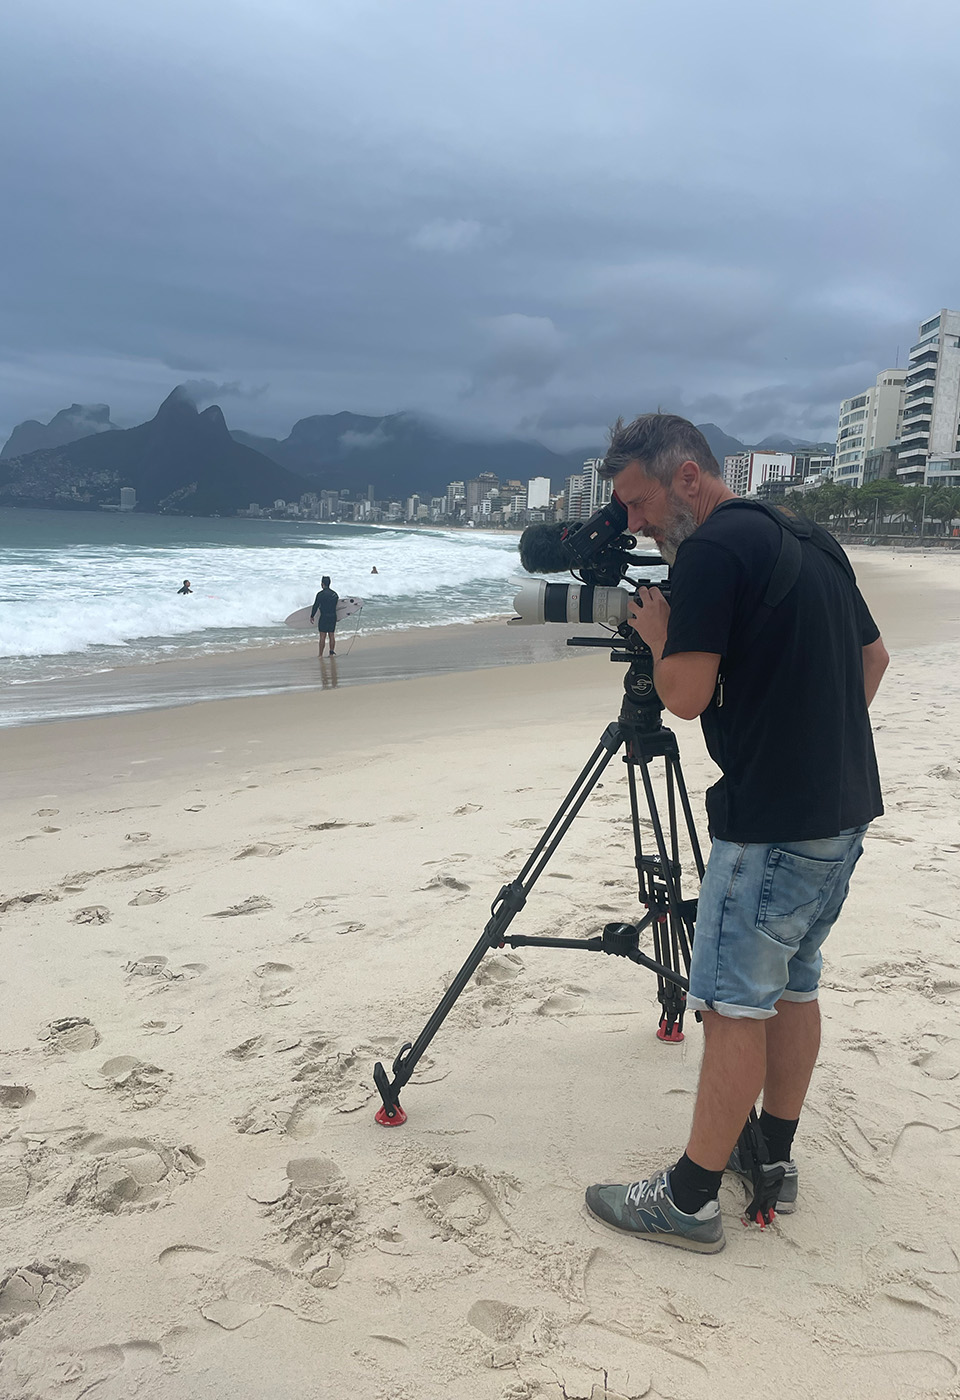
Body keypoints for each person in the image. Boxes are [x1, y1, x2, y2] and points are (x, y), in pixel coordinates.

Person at [583, 413, 888, 1253]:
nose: (635, 523)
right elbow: (873, 660)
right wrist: (808, 745)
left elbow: (683, 696)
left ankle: (687, 1200)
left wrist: (658, 637)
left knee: (730, 1005)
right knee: (793, 986)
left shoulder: (715, 550)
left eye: (640, 502)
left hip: (771, 827)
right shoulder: (808, 535)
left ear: (688, 477)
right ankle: (774, 1162)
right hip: (841, 810)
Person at [310, 575, 339, 657]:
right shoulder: (335, 594)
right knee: (331, 635)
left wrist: (312, 616)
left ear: (322, 584)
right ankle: (331, 653)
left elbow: (315, 606)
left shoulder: (320, 594)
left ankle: (320, 655)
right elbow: (337, 606)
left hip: (324, 617)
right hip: (333, 616)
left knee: (322, 636)